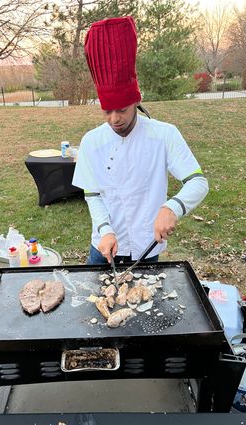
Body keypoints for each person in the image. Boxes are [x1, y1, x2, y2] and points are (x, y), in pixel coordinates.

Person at [72, 16, 209, 265]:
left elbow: (198, 182)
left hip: (147, 248)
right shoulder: (91, 141)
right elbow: (92, 194)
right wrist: (105, 230)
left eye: (122, 110)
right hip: (103, 247)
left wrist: (172, 208)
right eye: (107, 111)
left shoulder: (164, 134)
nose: (114, 119)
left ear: (136, 101)